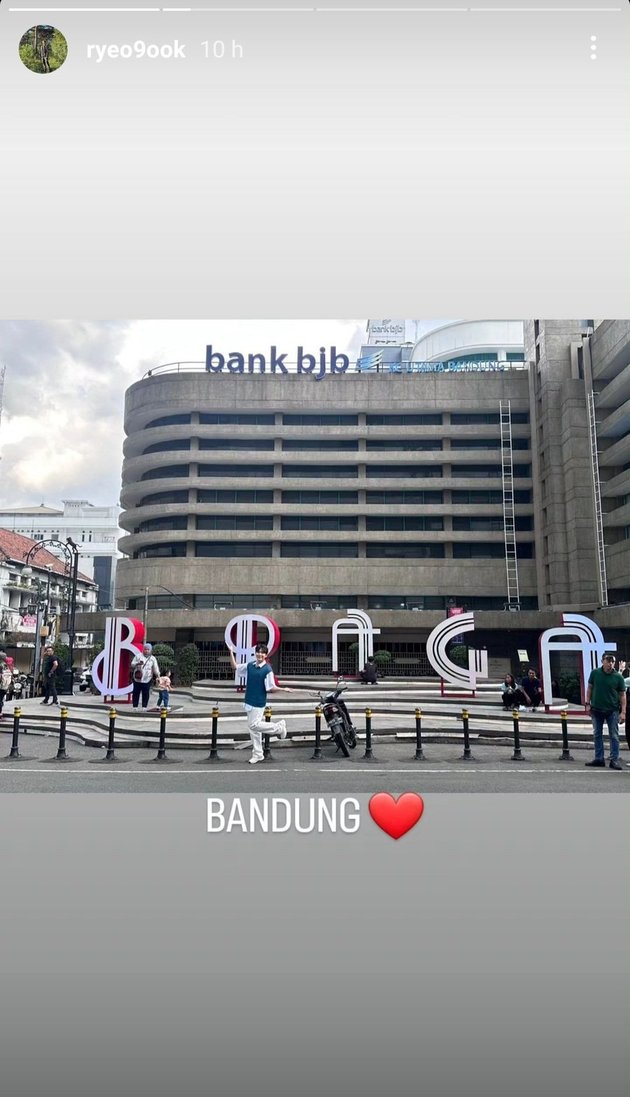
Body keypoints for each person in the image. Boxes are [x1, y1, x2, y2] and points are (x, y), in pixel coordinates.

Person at [228, 641, 293, 764]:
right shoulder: (250, 665)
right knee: (254, 730)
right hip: (248, 701)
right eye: (258, 652)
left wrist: (283, 689)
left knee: (254, 725)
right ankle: (258, 754)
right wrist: (231, 652)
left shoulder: (267, 670)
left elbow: (271, 688)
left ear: (266, 655)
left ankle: (279, 727)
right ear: (255, 653)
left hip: (258, 701)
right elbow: (235, 667)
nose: (260, 654)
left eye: (262, 653)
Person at [584, 652, 626, 770]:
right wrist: (587, 703)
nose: (610, 664)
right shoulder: (595, 673)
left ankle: (614, 759)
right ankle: (599, 758)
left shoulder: (618, 677)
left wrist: (623, 712)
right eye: (608, 661)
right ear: (602, 661)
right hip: (596, 709)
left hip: (612, 710)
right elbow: (590, 688)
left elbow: (622, 695)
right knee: (597, 734)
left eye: (612, 662)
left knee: (614, 735)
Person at [130, 643, 160, 710]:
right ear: (143, 649)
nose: (146, 651)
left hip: (147, 678)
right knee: (136, 692)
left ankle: (144, 706)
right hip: (138, 678)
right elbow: (132, 664)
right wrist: (137, 663)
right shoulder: (138, 656)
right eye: (145, 649)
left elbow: (155, 668)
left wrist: (158, 675)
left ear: (150, 650)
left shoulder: (153, 658)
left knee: (146, 693)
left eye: (148, 649)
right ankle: (135, 706)